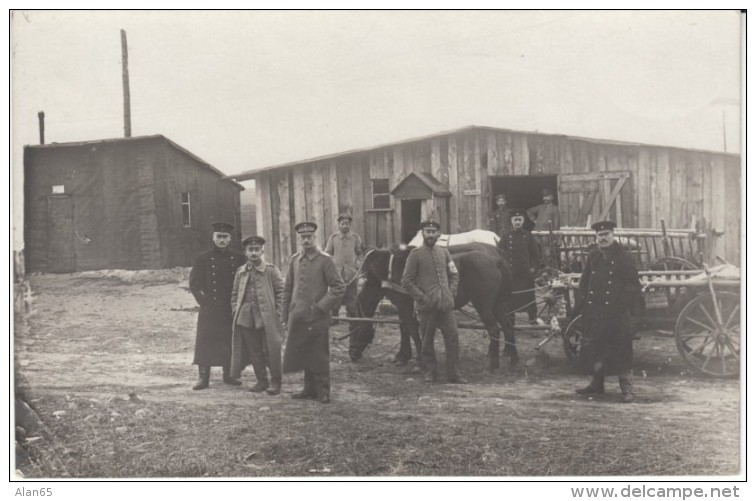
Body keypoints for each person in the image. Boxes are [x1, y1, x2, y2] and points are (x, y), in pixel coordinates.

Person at [573, 220, 641, 403]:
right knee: (596, 348)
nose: (603, 238)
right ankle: (597, 384)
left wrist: (620, 305)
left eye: (606, 235)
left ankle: (627, 389)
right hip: (595, 311)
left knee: (621, 350)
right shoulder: (593, 255)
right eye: (599, 236)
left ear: (613, 235)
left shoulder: (623, 257)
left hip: (617, 313)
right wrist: (584, 301)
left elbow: (632, 284)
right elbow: (584, 281)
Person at [282, 222, 346, 404]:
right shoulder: (295, 260)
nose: (306, 240)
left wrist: (321, 307)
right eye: (303, 237)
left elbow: (338, 287)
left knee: (318, 353)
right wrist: (285, 316)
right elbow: (287, 290)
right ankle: (308, 389)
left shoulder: (325, 260)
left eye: (309, 237)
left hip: (317, 317)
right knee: (304, 352)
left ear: (315, 238)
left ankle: (323, 390)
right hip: (298, 315)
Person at [401, 219, 466, 384]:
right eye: (427, 232)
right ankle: (430, 373)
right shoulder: (415, 255)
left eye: (433, 232)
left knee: (452, 338)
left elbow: (454, 274)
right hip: (427, 307)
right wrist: (422, 297)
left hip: (445, 305)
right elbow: (407, 281)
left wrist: (451, 292)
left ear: (438, 234)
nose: (430, 235)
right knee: (427, 340)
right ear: (423, 234)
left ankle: (454, 374)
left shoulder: (444, 252)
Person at [189, 221, 246, 390]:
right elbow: (194, 283)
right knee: (205, 340)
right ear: (213, 238)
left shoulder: (238, 258)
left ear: (230, 239)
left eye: (225, 237)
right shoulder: (203, 258)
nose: (222, 240)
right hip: (210, 307)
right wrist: (203, 301)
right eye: (219, 237)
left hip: (230, 307)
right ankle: (203, 377)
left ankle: (228, 375)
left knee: (229, 340)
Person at [229, 235, 286, 395]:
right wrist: (236, 309)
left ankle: (276, 381)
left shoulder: (271, 270)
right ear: (245, 252)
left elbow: (281, 292)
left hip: (266, 317)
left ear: (262, 251)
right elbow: (234, 294)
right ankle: (262, 380)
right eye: (250, 250)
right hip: (246, 317)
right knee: (254, 351)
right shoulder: (241, 272)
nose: (253, 253)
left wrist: (278, 313)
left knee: (271, 350)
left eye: (256, 250)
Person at [497, 209, 543, 327]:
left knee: (529, 299)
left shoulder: (528, 236)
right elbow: (499, 255)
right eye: (515, 220)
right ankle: (510, 323)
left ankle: (533, 322)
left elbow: (536, 255)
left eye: (520, 220)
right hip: (510, 275)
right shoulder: (506, 237)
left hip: (525, 275)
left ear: (523, 221)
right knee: (509, 300)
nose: (517, 222)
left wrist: (533, 270)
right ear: (511, 221)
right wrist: (503, 271)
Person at [324, 214, 363, 319]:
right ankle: (335, 317)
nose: (344, 226)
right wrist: (331, 266)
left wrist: (357, 265)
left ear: (350, 225)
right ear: (339, 225)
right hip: (337, 272)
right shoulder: (333, 238)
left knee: (352, 295)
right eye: (342, 224)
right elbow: (327, 254)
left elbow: (360, 254)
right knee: (336, 293)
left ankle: (351, 316)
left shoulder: (355, 238)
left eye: (347, 224)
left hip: (351, 273)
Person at [527, 188, 561, 267]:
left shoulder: (555, 208)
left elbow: (556, 223)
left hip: (546, 234)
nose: (545, 198)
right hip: (536, 233)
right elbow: (529, 211)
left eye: (547, 196)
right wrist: (534, 220)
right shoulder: (540, 207)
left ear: (552, 197)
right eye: (544, 197)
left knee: (547, 253)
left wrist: (555, 236)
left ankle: (548, 269)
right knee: (535, 252)